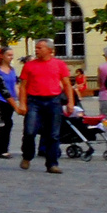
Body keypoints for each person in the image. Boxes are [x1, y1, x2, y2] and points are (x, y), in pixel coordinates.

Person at [18, 39, 75, 173]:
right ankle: (27, 155)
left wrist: (70, 102)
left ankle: (52, 163)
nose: (37, 50)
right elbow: (23, 86)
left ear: (49, 50)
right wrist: (22, 103)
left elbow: (67, 84)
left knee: (53, 134)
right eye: (36, 48)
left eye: (40, 48)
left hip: (53, 100)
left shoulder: (59, 64)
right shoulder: (29, 65)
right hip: (34, 101)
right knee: (29, 131)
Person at [0, 48, 19, 159]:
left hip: (10, 100)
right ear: (1, 56)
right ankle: (1, 150)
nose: (11, 57)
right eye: (9, 55)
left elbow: (15, 85)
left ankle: (2, 149)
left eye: (12, 55)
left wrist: (19, 99)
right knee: (6, 123)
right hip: (0, 99)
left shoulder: (12, 70)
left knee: (7, 124)